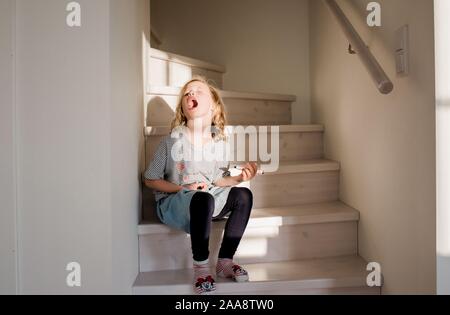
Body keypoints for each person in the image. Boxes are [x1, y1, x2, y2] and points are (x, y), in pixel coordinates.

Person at [144, 76, 258, 295]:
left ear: (214, 107)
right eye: (187, 93)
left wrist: (238, 179)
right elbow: (150, 178)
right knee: (203, 198)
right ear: (183, 109)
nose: (191, 95)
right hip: (175, 202)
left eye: (198, 91)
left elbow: (216, 179)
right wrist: (182, 189)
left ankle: (225, 261)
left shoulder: (218, 142)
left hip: (206, 196)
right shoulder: (171, 142)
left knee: (243, 195)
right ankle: (201, 268)